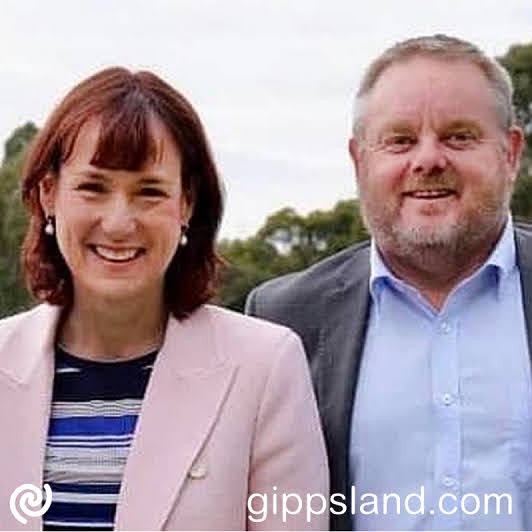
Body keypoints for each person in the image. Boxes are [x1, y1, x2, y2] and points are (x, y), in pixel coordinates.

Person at [0, 67, 328, 531]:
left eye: (149, 192)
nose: (118, 222)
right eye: (93, 187)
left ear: (187, 204)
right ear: (48, 193)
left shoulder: (265, 367)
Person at [246, 34, 531, 530]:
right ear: (360, 162)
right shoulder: (284, 321)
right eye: (399, 140)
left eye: (459, 136)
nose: (427, 160)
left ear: (510, 153)